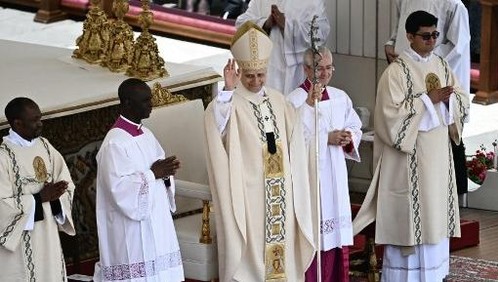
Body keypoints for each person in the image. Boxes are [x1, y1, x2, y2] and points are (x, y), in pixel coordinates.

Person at [353, 11, 470, 281]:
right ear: (409, 37)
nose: (431, 41)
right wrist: (428, 101)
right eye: (425, 36)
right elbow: (388, 117)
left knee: (435, 219)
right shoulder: (395, 73)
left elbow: (461, 97)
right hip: (410, 162)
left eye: (435, 36)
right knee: (413, 223)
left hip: (438, 158)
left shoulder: (441, 66)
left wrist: (450, 101)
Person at [205, 21, 315, 282]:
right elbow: (218, 128)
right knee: (254, 248)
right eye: (249, 75)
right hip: (250, 193)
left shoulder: (278, 100)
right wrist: (228, 90)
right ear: (239, 71)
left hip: (281, 191)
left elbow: (296, 138)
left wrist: (309, 107)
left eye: (261, 75)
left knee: (283, 248)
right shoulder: (230, 102)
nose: (256, 81)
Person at [93, 78, 184, 282]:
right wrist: (153, 174)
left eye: (149, 99)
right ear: (127, 103)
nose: (151, 104)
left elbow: (158, 168)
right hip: (132, 231)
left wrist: (167, 172)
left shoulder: (146, 133)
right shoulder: (114, 144)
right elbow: (118, 190)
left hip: (157, 220)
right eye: (145, 101)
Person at [288, 46, 363, 282]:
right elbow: (293, 140)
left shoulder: (341, 97)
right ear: (306, 69)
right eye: (319, 68)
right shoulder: (294, 101)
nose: (325, 73)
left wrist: (348, 137)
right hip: (312, 181)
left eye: (329, 67)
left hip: (336, 179)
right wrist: (325, 139)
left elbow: (355, 124)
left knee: (335, 237)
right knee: (315, 236)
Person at [384, 0, 471, 200]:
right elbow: (403, 26)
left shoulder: (452, 4)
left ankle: (456, 196)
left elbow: (458, 45)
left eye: (434, 35)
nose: (431, 38)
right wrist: (391, 43)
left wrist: (425, 57)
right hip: (406, 69)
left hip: (437, 75)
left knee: (446, 139)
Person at [0, 97, 75, 281]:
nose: (40, 124)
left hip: (48, 233)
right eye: (34, 120)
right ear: (17, 123)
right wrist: (38, 198)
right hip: (20, 244)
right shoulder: (3, 156)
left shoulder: (45, 146)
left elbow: (66, 181)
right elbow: (2, 206)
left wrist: (59, 193)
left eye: (40, 118)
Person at [235, 0, 330, 96]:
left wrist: (287, 25)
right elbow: (241, 23)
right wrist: (265, 24)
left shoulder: (313, 2)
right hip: (266, 69)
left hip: (297, 73)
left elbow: (321, 33)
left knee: (295, 106)